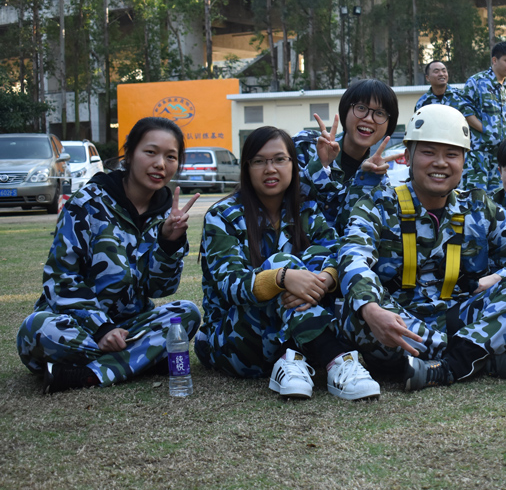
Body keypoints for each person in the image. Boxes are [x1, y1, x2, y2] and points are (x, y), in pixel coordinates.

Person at [336, 104, 506, 391]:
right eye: (428, 152)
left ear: (463, 161)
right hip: (397, 323)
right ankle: (479, 353)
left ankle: (448, 366)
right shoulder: (378, 204)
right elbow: (353, 258)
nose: (440, 163)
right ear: (408, 156)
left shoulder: (478, 207)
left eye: (451, 154)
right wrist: (372, 309)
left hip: (456, 316)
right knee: (357, 307)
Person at [17, 117, 202, 394]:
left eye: (170, 157)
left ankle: (88, 375)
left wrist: (168, 243)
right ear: (129, 154)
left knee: (186, 313)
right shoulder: (87, 203)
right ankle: (142, 358)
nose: (160, 164)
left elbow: (160, 289)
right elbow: (60, 279)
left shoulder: (167, 214)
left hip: (130, 327)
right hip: (77, 326)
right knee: (37, 328)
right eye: (150, 152)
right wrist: (101, 329)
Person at [196, 126, 380, 400]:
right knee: (282, 265)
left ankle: (290, 359)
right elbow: (229, 285)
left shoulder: (305, 209)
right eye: (259, 161)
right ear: (246, 168)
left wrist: (326, 279)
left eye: (280, 159)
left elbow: (336, 253)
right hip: (235, 340)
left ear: (294, 165)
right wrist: (282, 278)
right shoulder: (222, 216)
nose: (270, 169)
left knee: (317, 257)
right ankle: (336, 358)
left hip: (287, 336)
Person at [295, 79, 399, 232]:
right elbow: (283, 201)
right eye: (361, 108)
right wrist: (320, 165)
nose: (368, 119)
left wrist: (364, 180)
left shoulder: (377, 181)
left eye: (379, 113)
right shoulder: (305, 146)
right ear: (345, 110)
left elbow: (356, 231)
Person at [456, 41, 506, 192]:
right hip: (479, 152)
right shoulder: (477, 82)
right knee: (475, 195)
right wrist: (485, 130)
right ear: (494, 60)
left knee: (497, 195)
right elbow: (465, 111)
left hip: (501, 154)